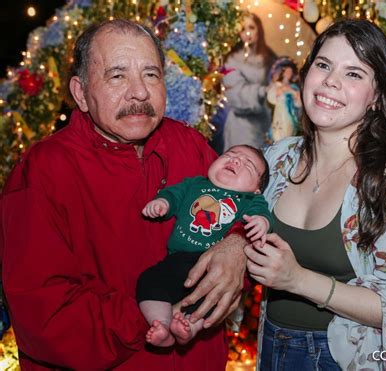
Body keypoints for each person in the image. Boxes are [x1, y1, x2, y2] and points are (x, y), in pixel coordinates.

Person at [0, 19, 248, 370]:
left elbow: (243, 213)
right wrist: (152, 314)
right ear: (81, 93)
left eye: (151, 74)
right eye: (117, 76)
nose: (140, 93)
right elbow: (43, 312)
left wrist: (237, 246)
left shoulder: (188, 145)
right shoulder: (44, 171)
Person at [244, 19, 386, 370]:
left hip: (346, 358)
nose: (331, 81)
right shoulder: (277, 158)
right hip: (272, 347)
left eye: (354, 74)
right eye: (323, 65)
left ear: (376, 97)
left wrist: (298, 280)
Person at [137, 144, 273, 347]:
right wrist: (163, 203)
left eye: (248, 165)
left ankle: (191, 327)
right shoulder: (194, 184)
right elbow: (174, 194)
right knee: (148, 281)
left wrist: (262, 222)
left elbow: (263, 215)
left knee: (215, 296)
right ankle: (162, 324)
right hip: (176, 260)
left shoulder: (250, 199)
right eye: (230, 155)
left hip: (212, 266)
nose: (236, 161)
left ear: (256, 188)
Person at [222, 12, 276, 151]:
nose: (247, 33)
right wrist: (263, 91)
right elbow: (234, 93)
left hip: (265, 124)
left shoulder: (269, 59)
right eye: (242, 29)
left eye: (251, 27)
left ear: (259, 29)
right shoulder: (231, 60)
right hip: (241, 127)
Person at [267, 57, 301, 142]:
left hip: (289, 114)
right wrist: (283, 89)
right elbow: (271, 97)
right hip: (280, 110)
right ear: (283, 72)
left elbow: (298, 103)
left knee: (288, 130)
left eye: (290, 72)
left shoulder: (294, 87)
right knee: (278, 132)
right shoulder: (277, 84)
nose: (288, 73)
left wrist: (295, 95)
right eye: (287, 71)